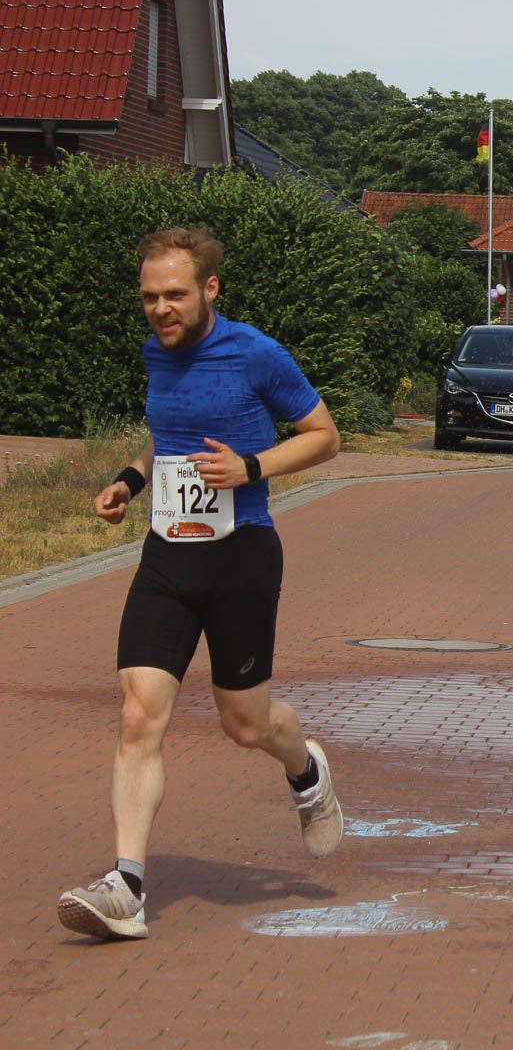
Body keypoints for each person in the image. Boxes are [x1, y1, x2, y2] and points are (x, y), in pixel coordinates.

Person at [58, 228, 346, 942]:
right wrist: (130, 481)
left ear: (210, 289)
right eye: (149, 297)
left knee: (245, 725)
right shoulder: (156, 352)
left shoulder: (256, 352)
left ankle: (305, 769)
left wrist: (251, 467)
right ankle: (126, 887)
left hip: (241, 555)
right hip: (168, 556)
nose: (160, 309)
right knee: (138, 714)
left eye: (175, 295)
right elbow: (169, 434)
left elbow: (324, 435)